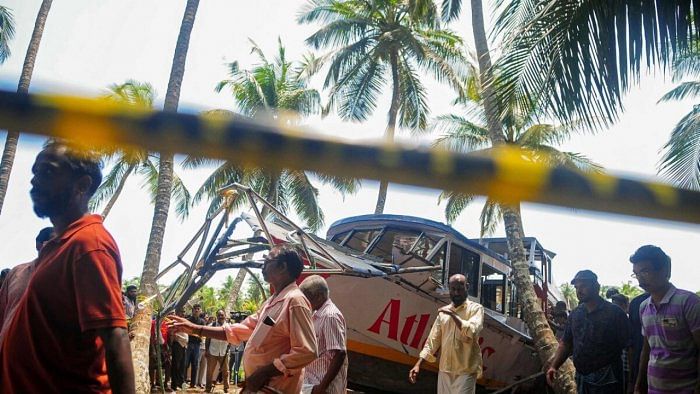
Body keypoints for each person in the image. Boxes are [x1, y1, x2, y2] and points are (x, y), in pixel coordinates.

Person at [0, 142, 134, 393]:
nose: (34, 181)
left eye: (47, 172)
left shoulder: (89, 244)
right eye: (34, 172)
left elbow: (116, 338)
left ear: (82, 185)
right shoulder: (57, 248)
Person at [169, 244, 318, 393]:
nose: (262, 265)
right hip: (258, 387)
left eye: (267, 260)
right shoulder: (271, 302)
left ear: (282, 267)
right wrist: (195, 329)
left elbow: (307, 351)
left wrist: (264, 372)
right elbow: (240, 330)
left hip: (274, 389)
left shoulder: (295, 301)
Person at [546, 270, 630, 393]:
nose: (579, 291)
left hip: (608, 378)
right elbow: (566, 343)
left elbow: (630, 347)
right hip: (581, 376)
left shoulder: (615, 313)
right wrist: (554, 366)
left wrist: (633, 380)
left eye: (584, 286)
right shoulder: (575, 314)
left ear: (596, 287)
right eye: (576, 287)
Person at [630, 245, 699, 394]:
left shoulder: (689, 302)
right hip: (654, 389)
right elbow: (647, 349)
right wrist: (639, 384)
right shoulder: (643, 307)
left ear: (664, 270)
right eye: (636, 274)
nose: (640, 279)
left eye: (645, 271)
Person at [409, 274, 484, 394]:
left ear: (467, 287)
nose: (456, 293)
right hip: (445, 370)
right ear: (449, 289)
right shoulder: (443, 313)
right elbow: (433, 341)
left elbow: (472, 330)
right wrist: (418, 364)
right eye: (453, 289)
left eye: (459, 289)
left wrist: (453, 315)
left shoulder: (476, 309)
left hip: (466, 370)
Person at [0, 226, 54, 345]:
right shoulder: (16, 272)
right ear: (39, 245)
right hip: (5, 351)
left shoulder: (65, 283)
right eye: (52, 242)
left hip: (37, 357)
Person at [300, 275, 348, 394]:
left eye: (307, 298)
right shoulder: (317, 314)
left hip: (323, 386)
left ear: (319, 296)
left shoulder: (329, 316)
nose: (304, 302)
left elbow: (340, 353)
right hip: (312, 383)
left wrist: (322, 387)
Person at [628, 292, 650, 391]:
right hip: (639, 359)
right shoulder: (637, 303)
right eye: (637, 274)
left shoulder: (686, 302)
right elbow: (631, 341)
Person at [205, 310, 230, 393]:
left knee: (225, 371)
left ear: (225, 316)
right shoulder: (211, 325)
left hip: (223, 351)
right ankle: (208, 388)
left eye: (222, 315)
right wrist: (206, 350)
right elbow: (207, 339)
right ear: (216, 316)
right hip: (213, 350)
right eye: (219, 315)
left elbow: (231, 338)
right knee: (210, 371)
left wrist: (228, 347)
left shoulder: (228, 326)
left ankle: (226, 387)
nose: (220, 316)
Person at [184, 304, 206, 387]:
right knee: (186, 364)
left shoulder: (202, 321)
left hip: (197, 345)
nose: (196, 310)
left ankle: (193, 383)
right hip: (188, 343)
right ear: (192, 310)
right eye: (195, 309)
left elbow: (203, 333)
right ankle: (184, 381)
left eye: (198, 309)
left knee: (195, 364)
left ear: (200, 311)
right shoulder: (188, 320)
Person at [170, 310, 189, 390]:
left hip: (184, 346)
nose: (183, 313)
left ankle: (181, 383)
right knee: (176, 366)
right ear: (178, 313)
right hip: (177, 344)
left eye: (184, 312)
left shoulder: (185, 321)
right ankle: (174, 385)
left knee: (182, 366)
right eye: (182, 312)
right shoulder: (174, 322)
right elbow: (172, 333)